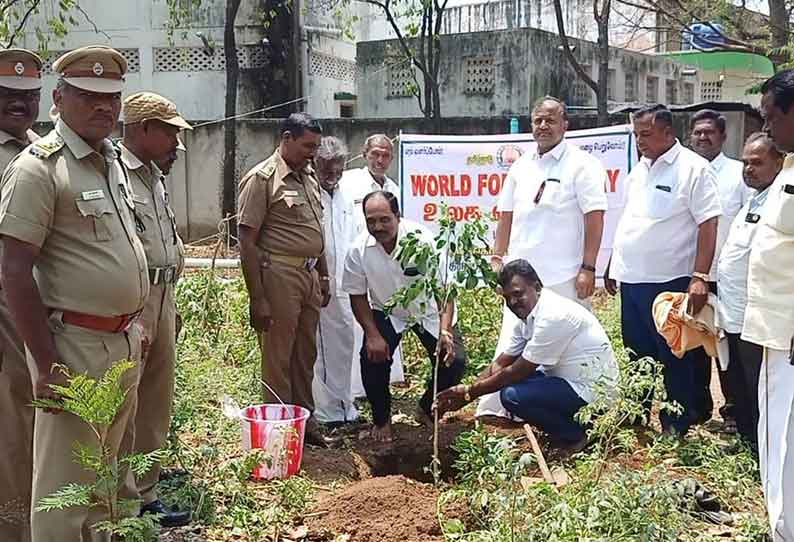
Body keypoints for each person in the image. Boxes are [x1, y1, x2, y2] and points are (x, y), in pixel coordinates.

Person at [0, 45, 149, 542]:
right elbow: (15, 270)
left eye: (111, 97)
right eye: (88, 97)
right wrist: (44, 364)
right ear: (59, 100)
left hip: (123, 342)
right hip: (74, 349)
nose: (103, 107)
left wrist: (136, 319)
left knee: (108, 483)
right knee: (64, 492)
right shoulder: (38, 168)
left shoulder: (112, 163)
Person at [478, 96, 608, 419]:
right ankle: (501, 410)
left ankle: (574, 416)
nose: (543, 126)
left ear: (566, 124)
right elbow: (505, 216)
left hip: (563, 280)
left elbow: (595, 217)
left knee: (565, 355)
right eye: (537, 120)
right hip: (520, 281)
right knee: (513, 343)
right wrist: (497, 258)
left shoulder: (582, 165)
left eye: (551, 120)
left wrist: (588, 267)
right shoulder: (521, 166)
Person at [605, 103, 721, 435]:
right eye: (636, 134)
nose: (639, 140)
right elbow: (630, 221)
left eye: (646, 134)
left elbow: (708, 224)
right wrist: (614, 262)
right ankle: (636, 416)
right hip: (633, 278)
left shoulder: (693, 169)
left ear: (668, 132)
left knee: (674, 353)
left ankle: (677, 423)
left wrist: (699, 277)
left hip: (671, 279)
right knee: (637, 351)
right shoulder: (638, 170)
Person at [436, 259, 618, 450]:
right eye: (507, 298)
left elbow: (518, 371)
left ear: (537, 286)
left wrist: (468, 393)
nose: (512, 302)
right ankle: (568, 426)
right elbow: (503, 362)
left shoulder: (553, 315)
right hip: (567, 382)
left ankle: (580, 433)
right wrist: (467, 390)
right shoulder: (527, 315)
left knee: (512, 395)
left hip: (594, 393)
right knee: (510, 384)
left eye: (517, 294)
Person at [117, 92, 191, 527]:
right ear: (142, 129)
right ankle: (122, 499)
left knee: (155, 402)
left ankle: (145, 492)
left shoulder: (152, 175)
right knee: (126, 402)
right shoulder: (116, 171)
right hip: (137, 301)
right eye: (169, 132)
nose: (175, 143)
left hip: (164, 296)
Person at [237, 113, 332, 447]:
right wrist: (257, 297)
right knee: (279, 356)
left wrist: (323, 274)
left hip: (307, 275)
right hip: (278, 274)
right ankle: (280, 434)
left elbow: (315, 230)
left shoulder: (308, 176)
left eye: (316, 146)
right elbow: (246, 240)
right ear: (287, 138)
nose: (313, 153)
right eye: (307, 145)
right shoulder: (263, 179)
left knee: (305, 354)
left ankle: (305, 423)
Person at [342, 190, 467, 442]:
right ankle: (381, 420)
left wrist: (445, 331)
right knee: (372, 359)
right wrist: (372, 334)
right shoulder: (358, 250)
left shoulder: (423, 241)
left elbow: (445, 290)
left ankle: (426, 408)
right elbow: (357, 295)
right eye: (371, 221)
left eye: (384, 219)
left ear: (398, 216)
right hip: (388, 311)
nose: (378, 226)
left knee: (454, 362)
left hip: (430, 312)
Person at [742, 69, 794, 540]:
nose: (767, 127)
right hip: (774, 333)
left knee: (789, 441)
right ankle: (780, 524)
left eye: (771, 116)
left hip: (792, 336)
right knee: (774, 435)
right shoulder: (790, 167)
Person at [0, 47, 42, 542]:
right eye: (8, 96)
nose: (19, 105)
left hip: (41, 307)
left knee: (38, 416)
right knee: (11, 423)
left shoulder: (39, 151)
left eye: (27, 96)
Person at [716, 132, 782, 450]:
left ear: (779, 163)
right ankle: (745, 440)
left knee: (759, 384)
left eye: (757, 162)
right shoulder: (753, 199)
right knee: (738, 380)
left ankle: (761, 449)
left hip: (758, 315)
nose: (748, 169)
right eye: (745, 162)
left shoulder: (781, 200)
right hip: (733, 311)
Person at [689, 109, 752, 431]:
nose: (703, 137)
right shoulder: (686, 172)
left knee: (728, 350)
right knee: (695, 344)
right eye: (698, 132)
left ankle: (733, 412)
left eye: (709, 132)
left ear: (723, 136)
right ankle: (698, 409)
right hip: (693, 276)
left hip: (727, 278)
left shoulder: (740, 173)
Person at [339, 133, 406, 397]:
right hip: (355, 260)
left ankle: (378, 385)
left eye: (386, 155)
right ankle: (354, 388)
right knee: (356, 322)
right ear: (364, 154)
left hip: (385, 265)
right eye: (375, 154)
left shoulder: (394, 188)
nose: (380, 159)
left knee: (385, 318)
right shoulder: (349, 182)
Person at [311, 136, 359, 424]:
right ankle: (327, 410)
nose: (333, 176)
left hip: (346, 282)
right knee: (321, 349)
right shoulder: (309, 192)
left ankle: (343, 404)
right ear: (315, 165)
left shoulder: (346, 192)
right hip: (319, 282)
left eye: (337, 169)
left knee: (344, 344)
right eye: (327, 170)